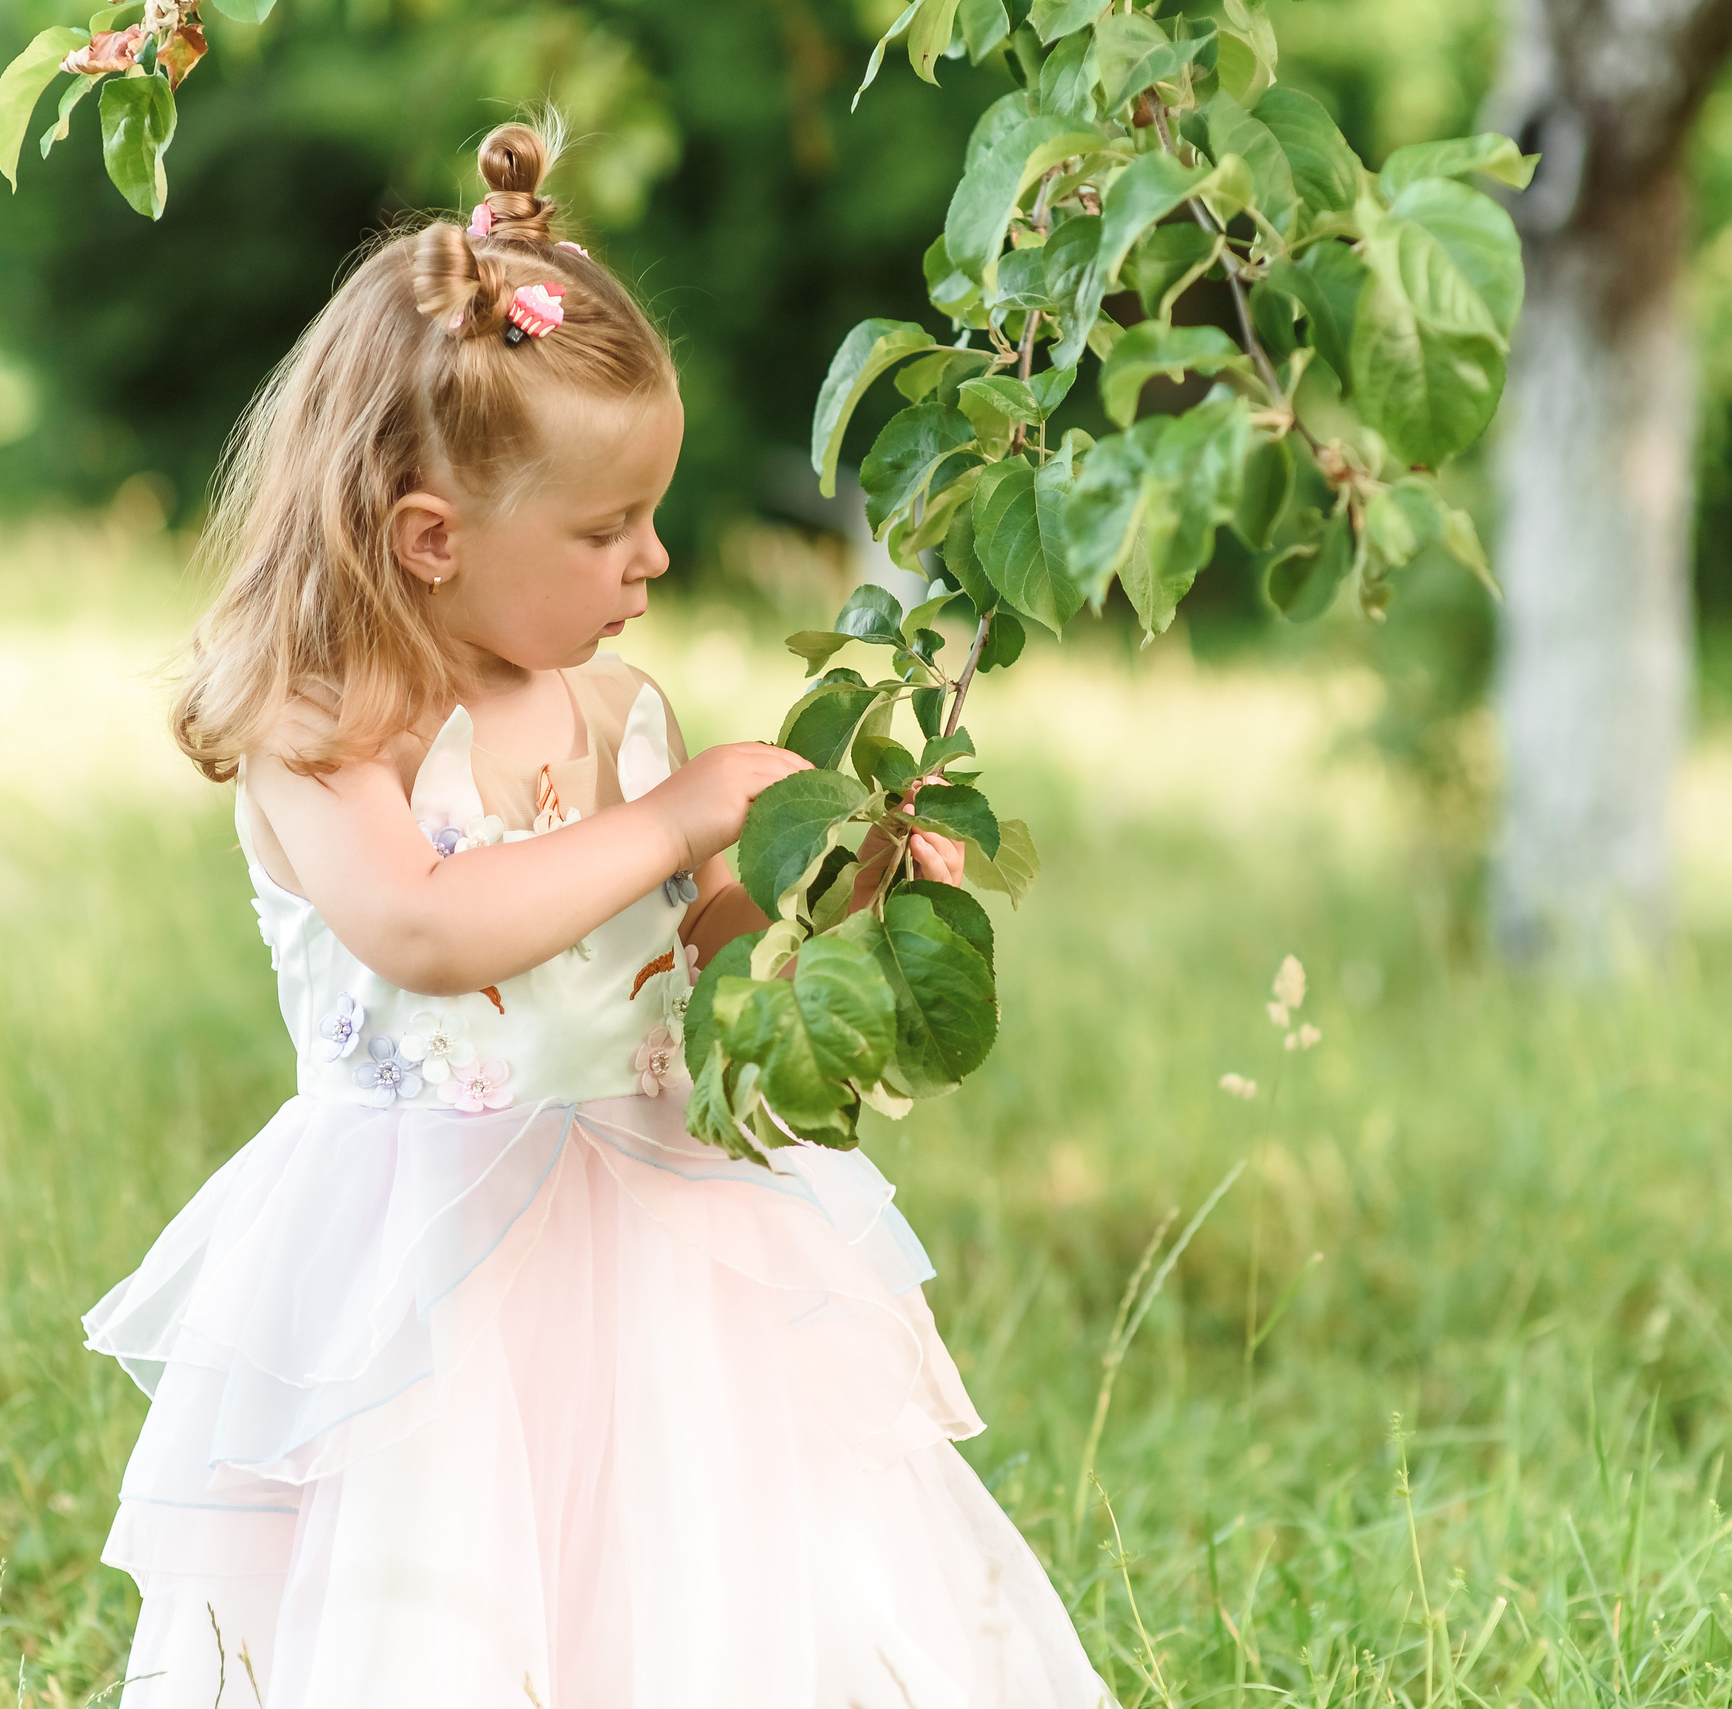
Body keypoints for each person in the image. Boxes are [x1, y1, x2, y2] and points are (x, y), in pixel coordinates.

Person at [82, 119, 1110, 1707]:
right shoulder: (322, 726)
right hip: (432, 1280)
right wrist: (671, 816)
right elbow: (426, 927)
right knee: (457, 1602)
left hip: (666, 1246)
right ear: (432, 538)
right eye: (605, 527)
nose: (654, 557)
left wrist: (833, 874)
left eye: (652, 514)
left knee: (707, 1577)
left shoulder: (620, 705)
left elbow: (687, 963)